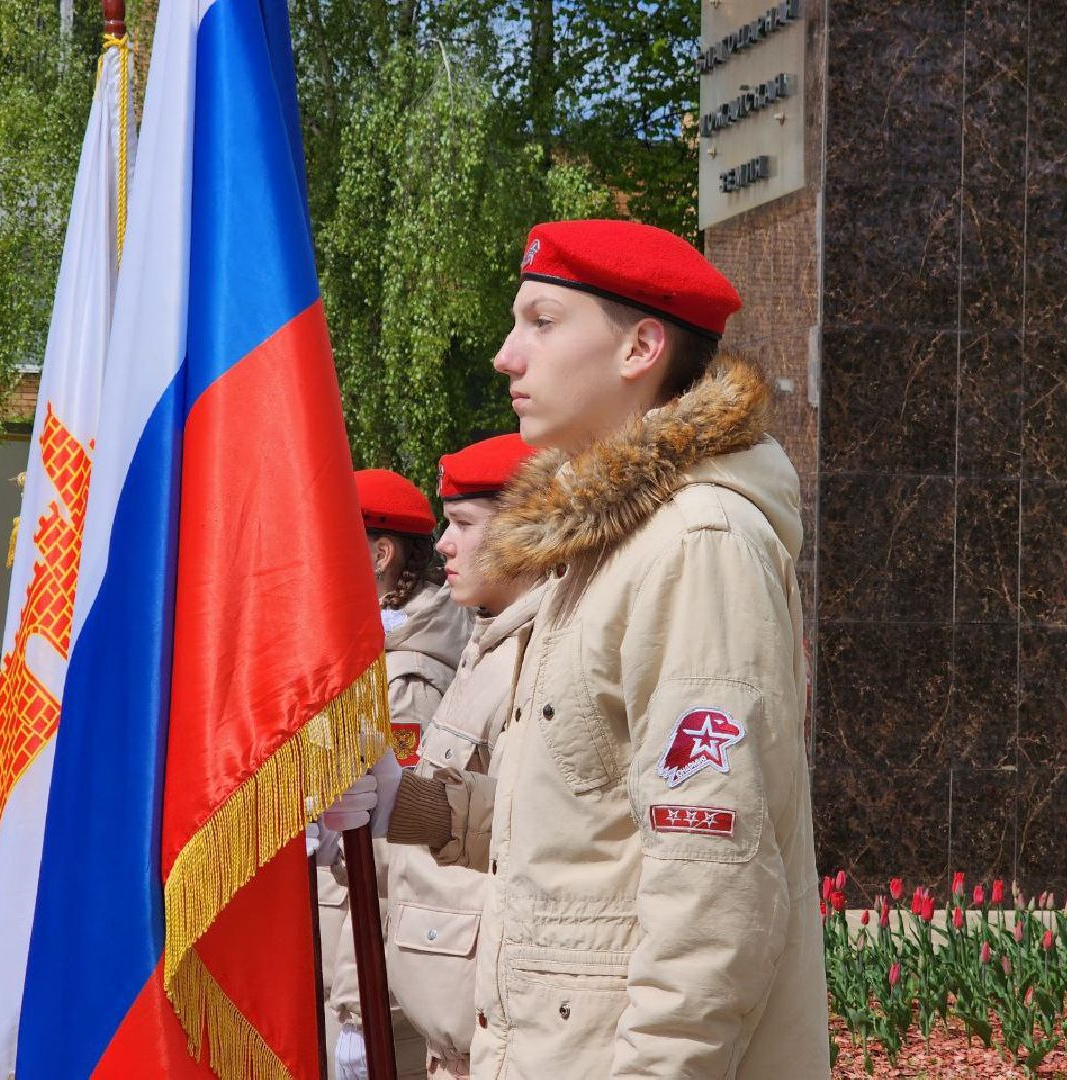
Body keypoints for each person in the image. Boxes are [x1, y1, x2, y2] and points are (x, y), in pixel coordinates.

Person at [387, 219, 829, 1077]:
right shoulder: (606, 549)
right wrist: (400, 803)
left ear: (641, 348)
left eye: (542, 322)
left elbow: (714, 880)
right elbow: (588, 830)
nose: (506, 356)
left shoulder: (695, 544)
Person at [371, 433, 542, 1080]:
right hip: (449, 1020)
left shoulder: (529, 659)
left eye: (464, 523)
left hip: (480, 1022)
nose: (444, 542)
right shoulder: (483, 652)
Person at [316, 468, 469, 1079]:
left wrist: (356, 1007)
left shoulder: (404, 682)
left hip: (371, 975)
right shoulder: (369, 659)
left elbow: (387, 853)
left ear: (379, 555)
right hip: (343, 951)